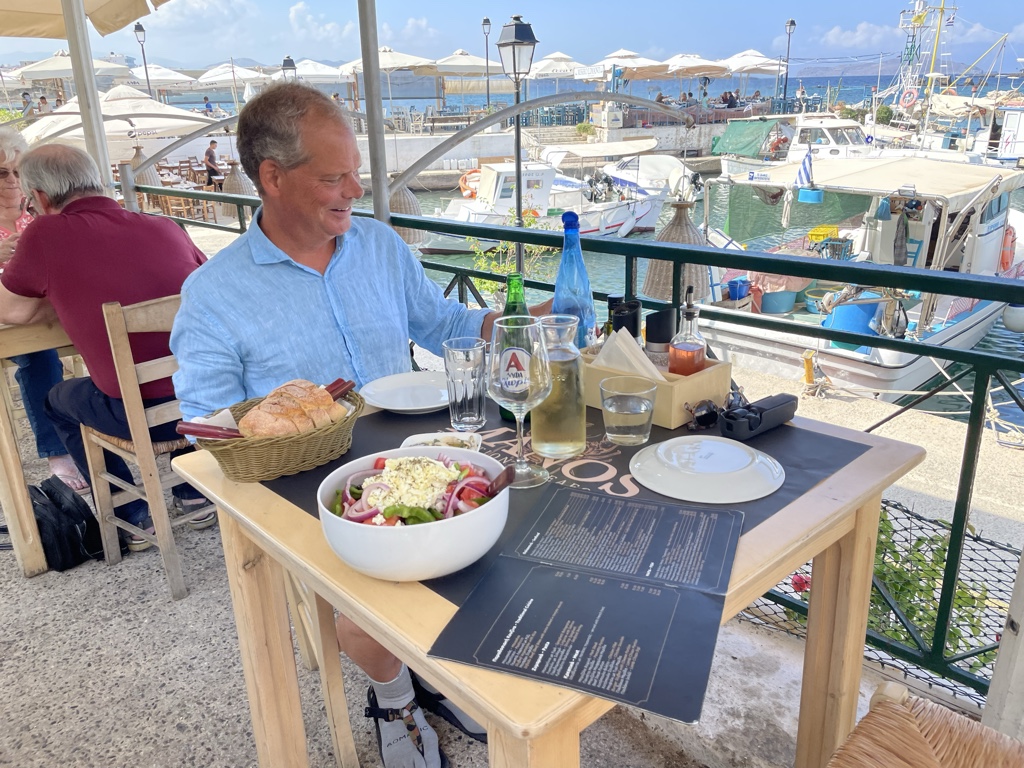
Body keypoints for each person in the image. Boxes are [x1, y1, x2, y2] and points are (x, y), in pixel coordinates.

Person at [171, 81, 552, 768]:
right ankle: (396, 693)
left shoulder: (376, 245)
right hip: (306, 488)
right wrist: (277, 428)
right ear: (272, 178)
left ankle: (442, 671)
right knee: (370, 595)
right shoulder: (214, 293)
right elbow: (207, 422)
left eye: (356, 172)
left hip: (417, 454)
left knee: (518, 517)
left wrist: (516, 326)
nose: (354, 189)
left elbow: (442, 326)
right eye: (333, 177)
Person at [0, 144, 213, 551]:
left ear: (41, 198)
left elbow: (12, 311)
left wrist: (58, 288)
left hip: (138, 418)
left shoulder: (44, 233)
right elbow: (205, 287)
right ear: (98, 180)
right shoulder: (165, 226)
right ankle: (194, 491)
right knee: (161, 362)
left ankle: (133, 516)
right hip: (205, 405)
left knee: (57, 400)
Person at [0, 128, 86, 489]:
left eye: (17, 171)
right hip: (10, 315)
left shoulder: (40, 210)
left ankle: (114, 428)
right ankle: (59, 452)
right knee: (39, 355)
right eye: (2, 173)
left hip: (48, 306)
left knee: (99, 331)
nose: (12, 181)